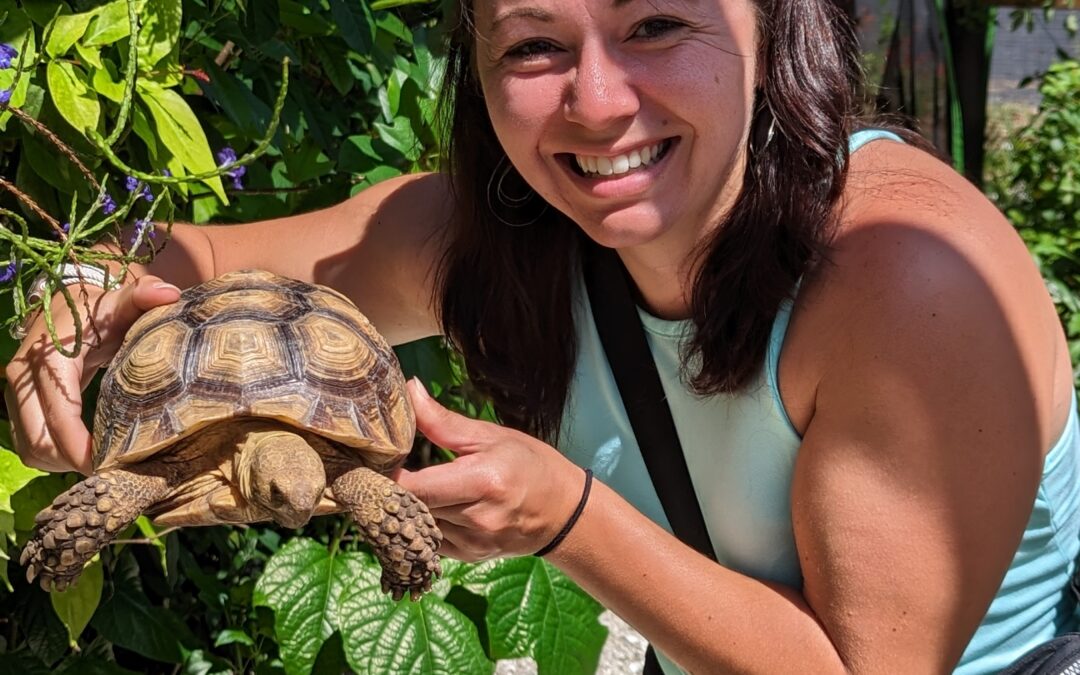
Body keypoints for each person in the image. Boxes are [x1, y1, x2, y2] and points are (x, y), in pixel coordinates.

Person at [6, 0, 1079, 672]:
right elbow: (188, 262)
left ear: (772, 21)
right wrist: (82, 294)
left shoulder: (908, 276)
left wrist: (564, 519)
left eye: (655, 24)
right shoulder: (504, 233)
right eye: (534, 44)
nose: (599, 103)